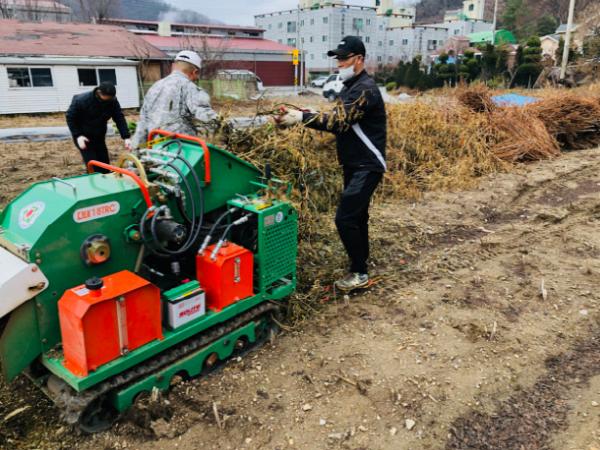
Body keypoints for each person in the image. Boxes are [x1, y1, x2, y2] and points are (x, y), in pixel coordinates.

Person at [275, 36, 387, 292]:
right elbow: (337, 116)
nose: (339, 64)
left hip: (368, 164)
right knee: (358, 217)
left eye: (344, 59)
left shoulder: (365, 89)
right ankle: (360, 262)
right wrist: (303, 113)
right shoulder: (352, 86)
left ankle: (359, 273)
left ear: (359, 59)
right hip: (354, 163)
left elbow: (339, 122)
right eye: (338, 59)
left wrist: (301, 117)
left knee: (345, 218)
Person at [131, 50, 219, 148]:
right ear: (195, 72)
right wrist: (225, 125)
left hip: (156, 147)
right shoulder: (190, 88)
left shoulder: (155, 87)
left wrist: (137, 147)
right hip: (180, 149)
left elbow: (143, 121)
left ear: (173, 66)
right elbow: (206, 116)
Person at [66, 81, 132, 173]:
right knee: (94, 166)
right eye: (107, 98)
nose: (109, 100)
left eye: (111, 98)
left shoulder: (112, 101)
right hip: (83, 137)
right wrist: (78, 135)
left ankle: (105, 178)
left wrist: (126, 137)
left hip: (99, 135)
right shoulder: (82, 100)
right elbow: (70, 117)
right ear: (99, 93)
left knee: (104, 165)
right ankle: (93, 178)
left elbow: (119, 118)